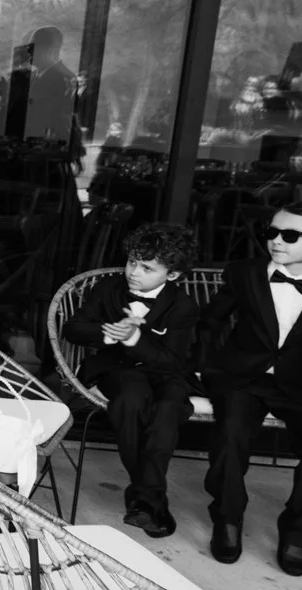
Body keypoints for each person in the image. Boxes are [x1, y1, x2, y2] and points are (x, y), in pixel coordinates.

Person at [196, 200, 302, 572]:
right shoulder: (244, 272)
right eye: (271, 232)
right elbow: (211, 322)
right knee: (230, 437)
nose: (277, 241)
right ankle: (227, 519)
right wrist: (207, 370)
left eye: (290, 235)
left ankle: (299, 531)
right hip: (243, 378)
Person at [61, 222, 201, 538]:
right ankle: (151, 500)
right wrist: (109, 333)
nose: (134, 272)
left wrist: (136, 338)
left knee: (168, 409)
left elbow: (173, 361)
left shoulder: (183, 306)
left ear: (173, 275)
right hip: (117, 369)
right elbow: (73, 328)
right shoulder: (108, 289)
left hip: (166, 373)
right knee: (130, 401)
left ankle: (143, 497)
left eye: (147, 268)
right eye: (132, 261)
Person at [22, 25, 76, 141]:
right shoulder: (34, 76)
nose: (28, 51)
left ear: (51, 48)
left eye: (33, 46)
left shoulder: (64, 78)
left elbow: (52, 116)